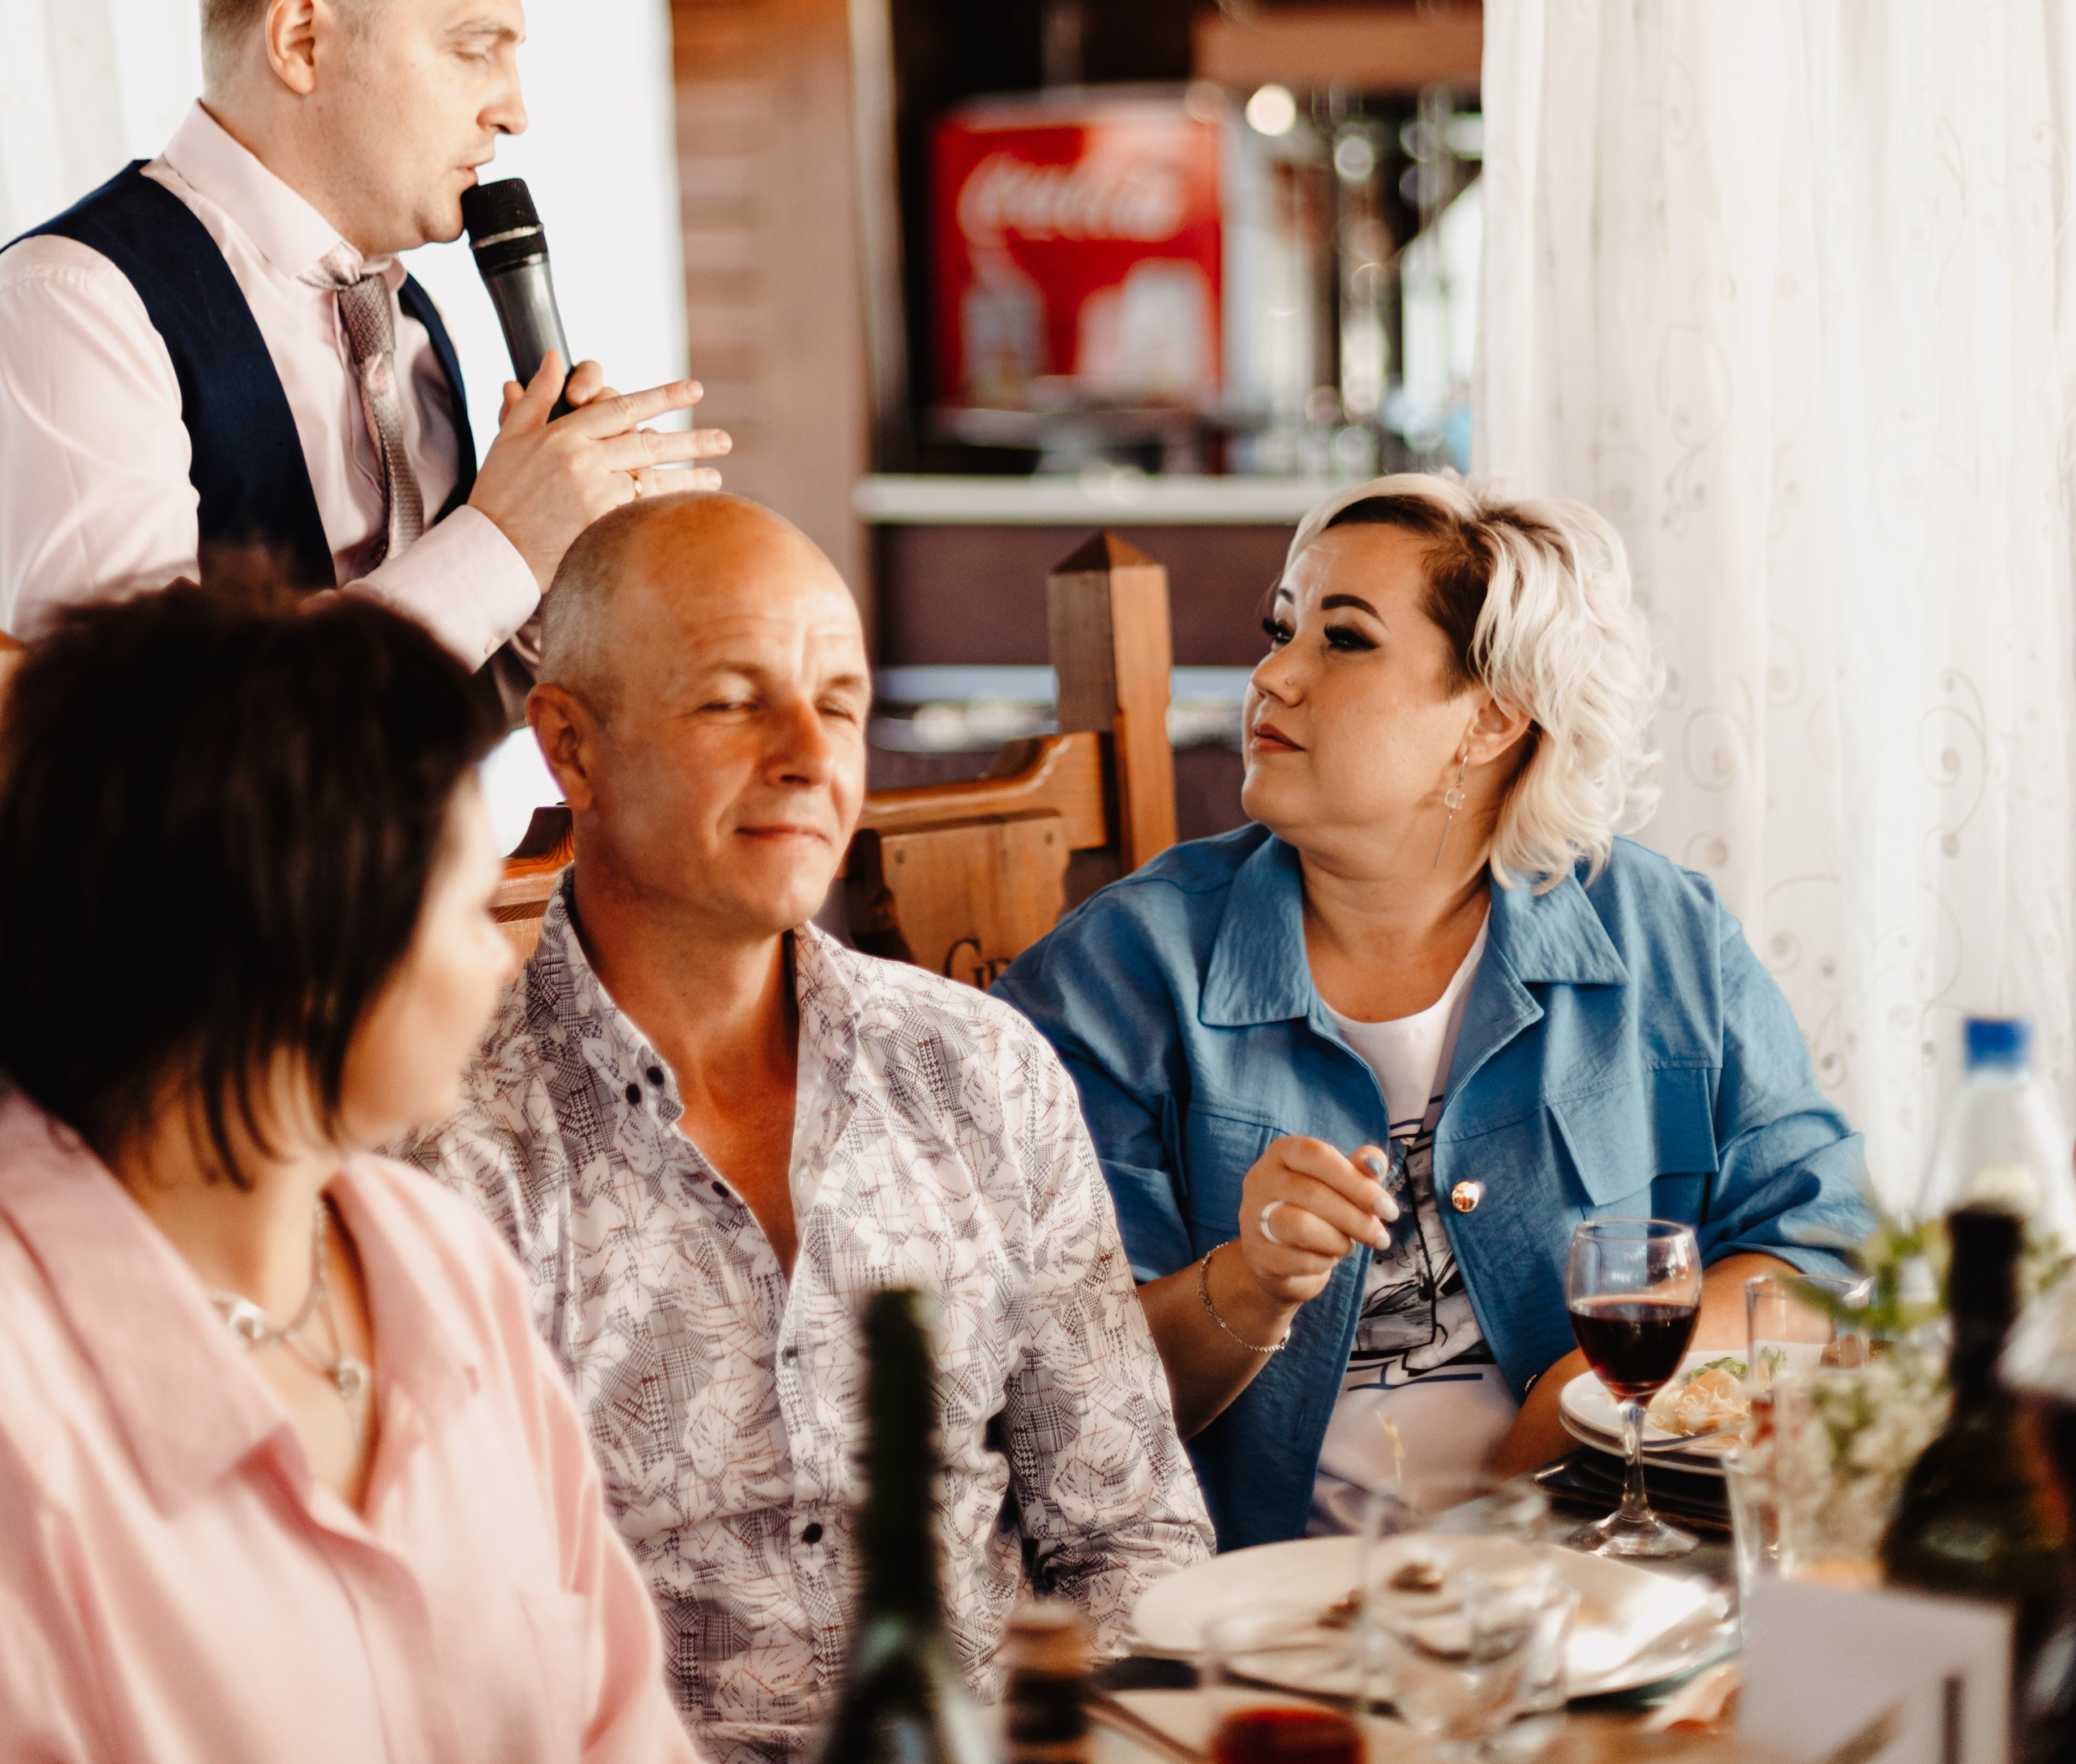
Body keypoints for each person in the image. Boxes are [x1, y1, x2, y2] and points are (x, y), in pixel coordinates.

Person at [410, 492, 1210, 1764]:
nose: (808, 755)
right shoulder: (445, 1154)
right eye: (732, 700)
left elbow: (1130, 1536)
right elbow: (450, 1670)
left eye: (838, 702)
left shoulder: (983, 1067)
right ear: (570, 747)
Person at [994, 472, 1870, 1548]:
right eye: (1281, 630)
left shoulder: (1663, 936)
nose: (1274, 674)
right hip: (1267, 1618)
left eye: (1345, 640)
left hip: (1600, 1580)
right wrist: (1251, 1282)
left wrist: (1571, 1407)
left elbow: (1816, 1252)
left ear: (1493, 717)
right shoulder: (1116, 975)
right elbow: (1046, 1414)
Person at [0, 569, 693, 1762]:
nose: (496, 962)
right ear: (302, 937)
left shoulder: (431, 1254)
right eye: (470, 906)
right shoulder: (25, 1399)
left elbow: (618, 1726)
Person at [0, 0, 726, 794]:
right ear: (303, 42)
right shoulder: (75, 301)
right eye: (475, 49)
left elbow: (423, 722)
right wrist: (500, 539)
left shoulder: (411, 316)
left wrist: (554, 574)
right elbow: (143, 742)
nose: (514, 110)